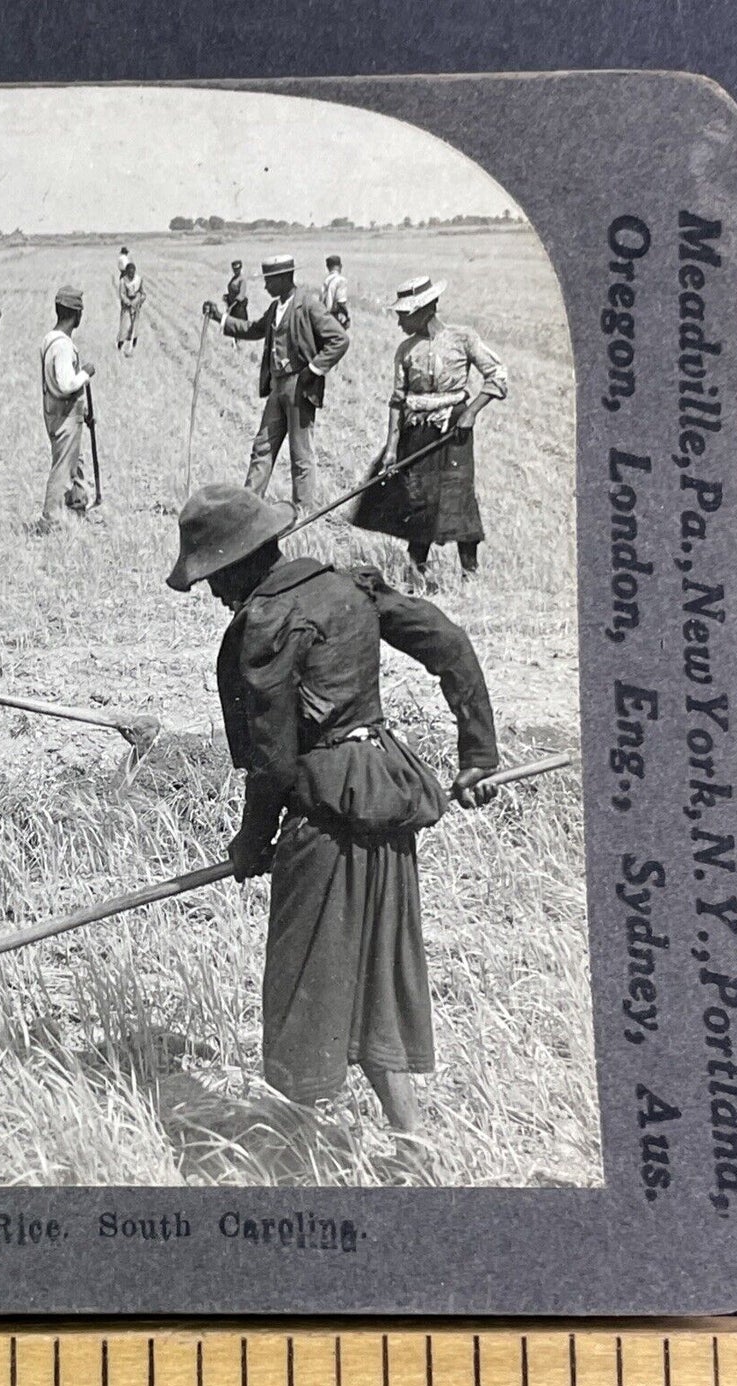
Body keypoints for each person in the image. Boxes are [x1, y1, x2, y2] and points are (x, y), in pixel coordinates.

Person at [166, 484, 500, 1176]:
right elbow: (451, 644)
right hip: (385, 798)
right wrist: (477, 755)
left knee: (299, 991)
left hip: (323, 818)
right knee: (375, 979)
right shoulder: (350, 589)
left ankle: (295, 1165)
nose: (212, 596)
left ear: (234, 566)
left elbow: (272, 761)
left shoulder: (262, 625)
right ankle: (414, 1147)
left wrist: (251, 842)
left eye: (210, 580)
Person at [353, 276, 508, 586]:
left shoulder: (463, 339)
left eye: (403, 315)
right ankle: (415, 572)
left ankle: (470, 575)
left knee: (457, 494)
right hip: (417, 431)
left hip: (454, 428)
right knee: (417, 497)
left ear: (423, 310)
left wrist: (471, 413)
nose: (398, 322)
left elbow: (498, 377)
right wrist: (392, 448)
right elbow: (397, 402)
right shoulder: (405, 350)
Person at [201, 255, 349, 512]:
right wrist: (220, 318)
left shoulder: (309, 305)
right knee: (262, 447)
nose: (266, 286)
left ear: (283, 279)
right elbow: (253, 329)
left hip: (299, 387)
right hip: (277, 387)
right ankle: (247, 510)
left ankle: (303, 513)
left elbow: (340, 339)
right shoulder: (274, 308)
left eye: (269, 280)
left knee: (300, 454)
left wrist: (313, 369)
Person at [36, 285, 95, 532]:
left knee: (74, 461)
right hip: (64, 413)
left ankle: (77, 506)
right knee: (63, 468)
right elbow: (65, 385)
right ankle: (50, 520)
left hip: (57, 411)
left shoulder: (49, 339)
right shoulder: (62, 346)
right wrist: (86, 374)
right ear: (75, 314)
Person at [116, 261, 145, 355]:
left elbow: (142, 292)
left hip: (136, 307)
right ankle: (120, 347)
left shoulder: (139, 279)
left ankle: (132, 349)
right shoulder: (123, 281)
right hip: (126, 307)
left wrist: (139, 300)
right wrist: (128, 302)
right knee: (125, 327)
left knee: (135, 328)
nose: (131, 274)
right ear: (127, 272)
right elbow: (122, 294)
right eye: (129, 272)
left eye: (133, 272)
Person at [321, 255, 351, 327]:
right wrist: (346, 316)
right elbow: (341, 302)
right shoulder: (341, 280)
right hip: (334, 317)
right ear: (340, 266)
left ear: (328, 267)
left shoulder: (326, 280)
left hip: (323, 317)